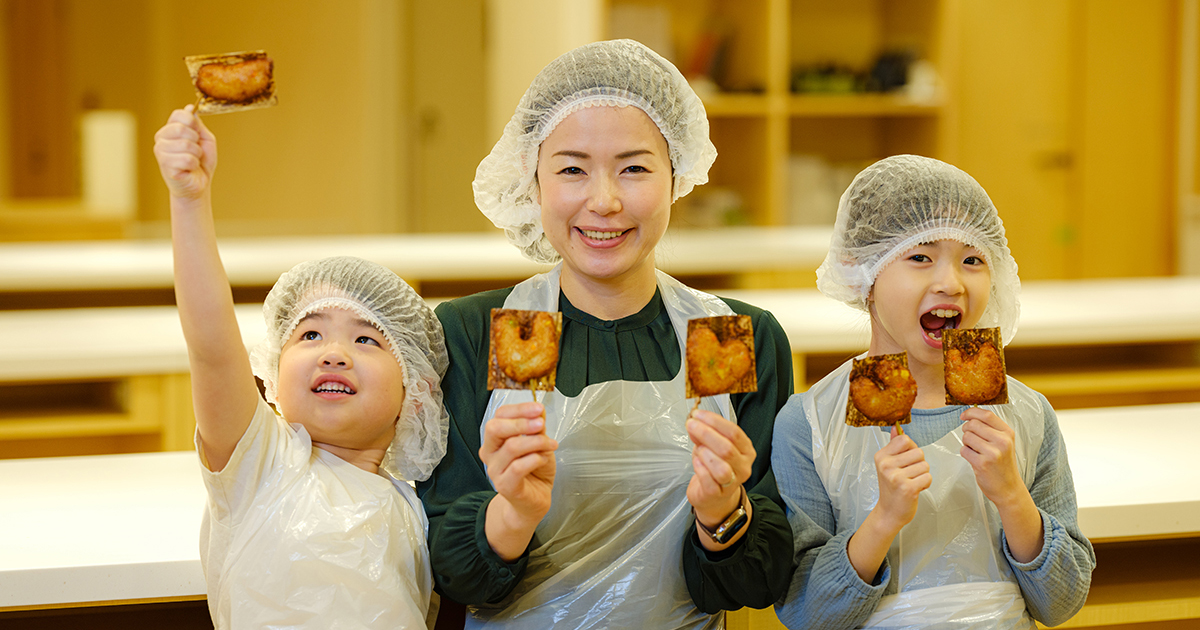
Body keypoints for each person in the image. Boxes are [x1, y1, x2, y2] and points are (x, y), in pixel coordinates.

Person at [417, 39, 795, 628]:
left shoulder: (727, 336)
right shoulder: (481, 332)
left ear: (677, 176)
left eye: (635, 168)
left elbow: (756, 582)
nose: (605, 200)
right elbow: (451, 577)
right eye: (571, 169)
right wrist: (513, 513)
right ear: (533, 180)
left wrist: (724, 513)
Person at [154, 105, 449, 629]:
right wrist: (190, 200)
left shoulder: (418, 508)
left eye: (365, 339)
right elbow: (212, 347)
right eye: (310, 334)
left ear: (417, 391)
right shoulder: (260, 465)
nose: (333, 353)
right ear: (271, 373)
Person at [771, 155, 1096, 629]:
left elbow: (1062, 602)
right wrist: (883, 518)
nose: (951, 284)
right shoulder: (810, 423)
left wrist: (1011, 495)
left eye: (973, 260)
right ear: (864, 272)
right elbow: (807, 615)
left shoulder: (1027, 415)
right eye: (920, 257)